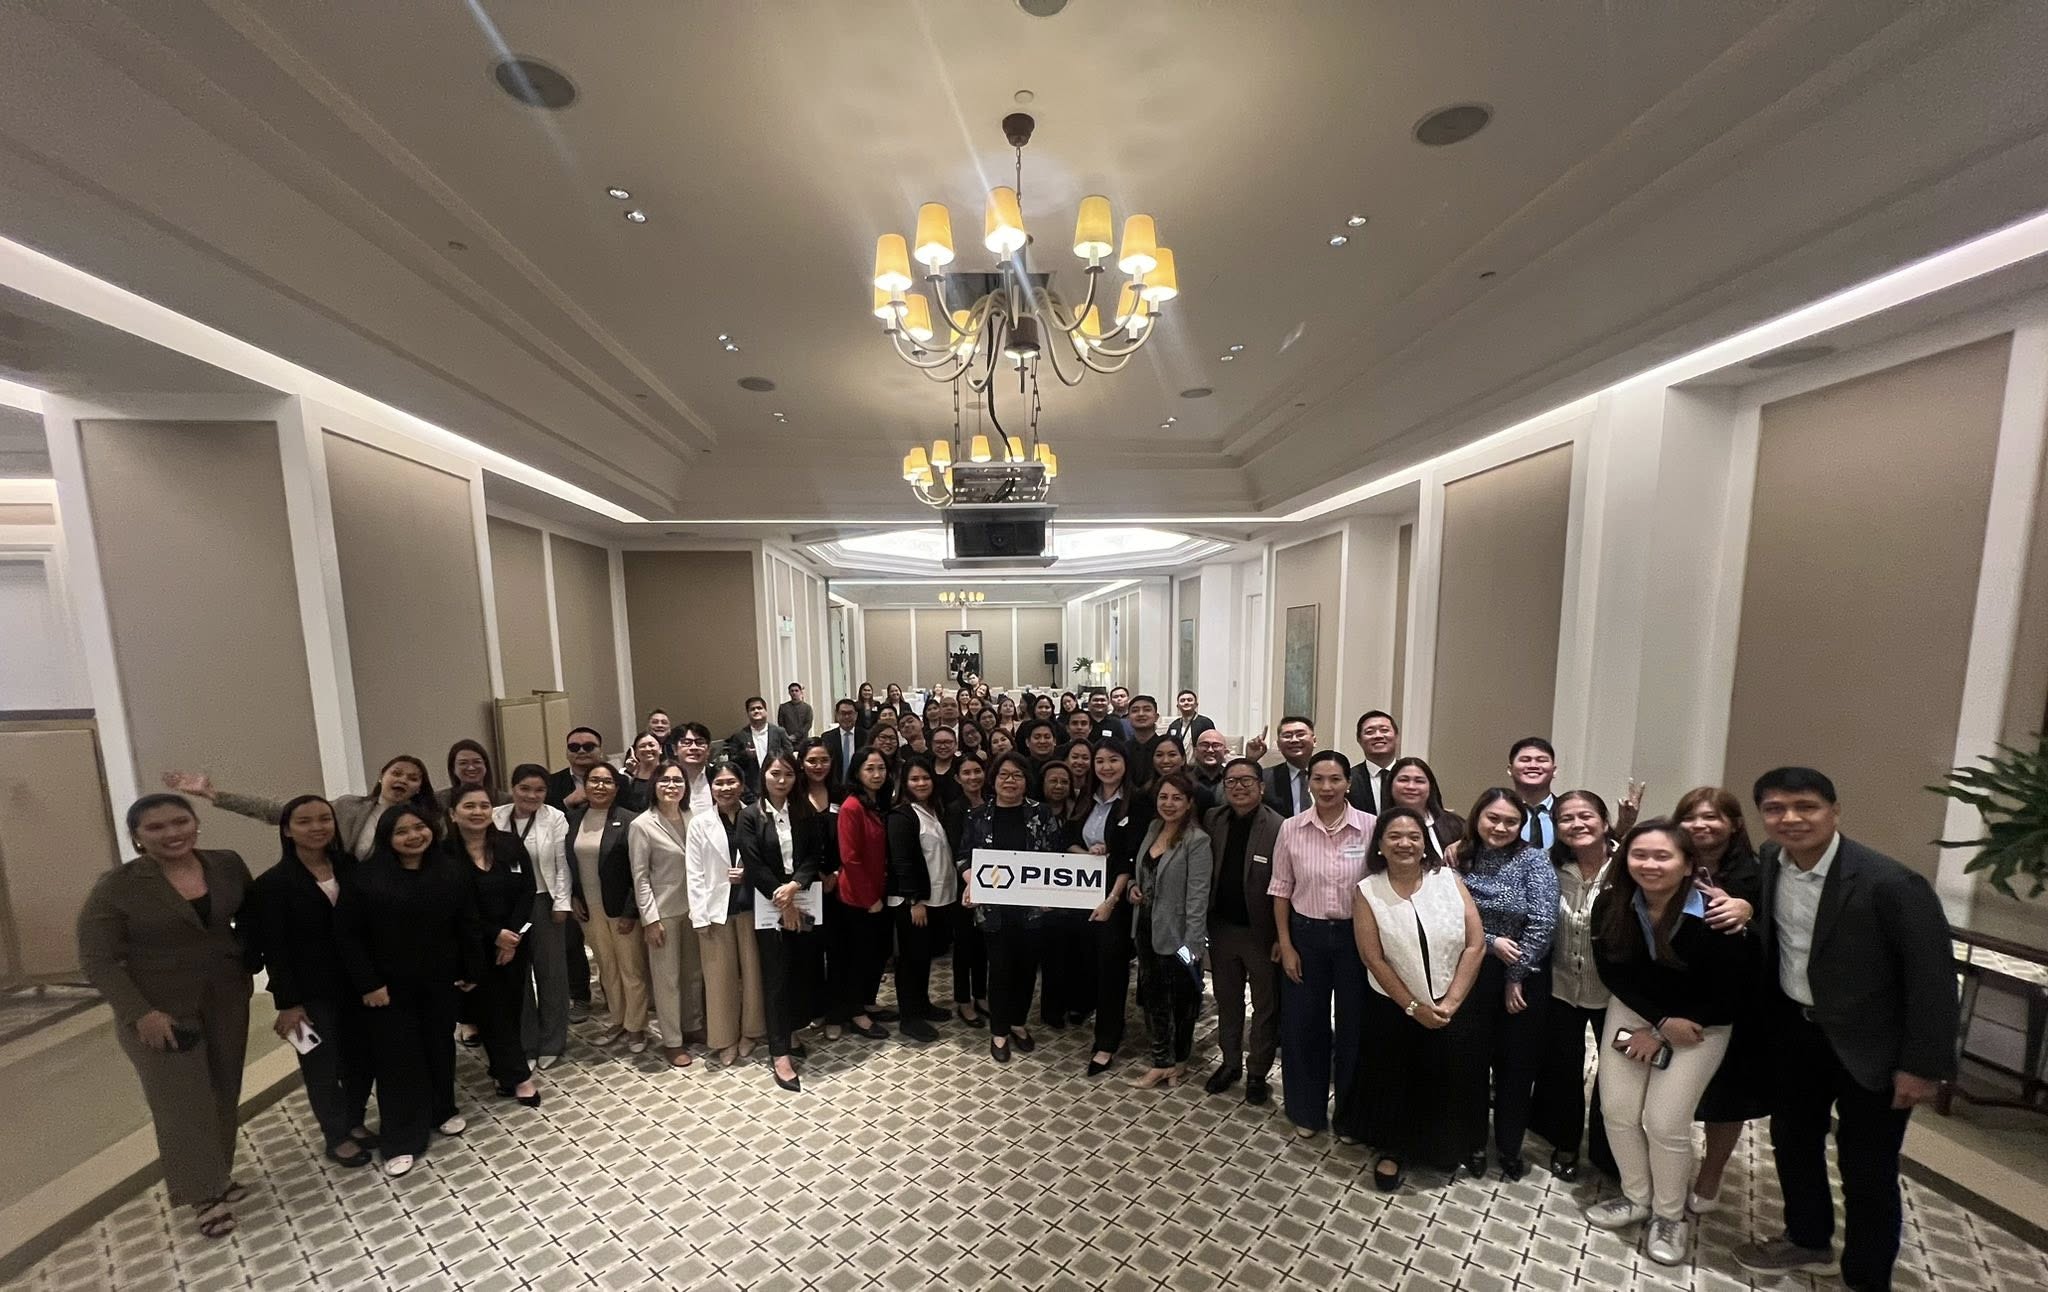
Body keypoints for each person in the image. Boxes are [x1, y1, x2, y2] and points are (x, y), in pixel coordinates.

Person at [1733, 769, 1957, 1292]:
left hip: (1872, 1046)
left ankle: (1865, 1276)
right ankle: (1809, 1240)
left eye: (1805, 806)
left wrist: (1921, 1066)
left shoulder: (1891, 883)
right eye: (1775, 808)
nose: (1790, 818)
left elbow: (1932, 980)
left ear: (1835, 811)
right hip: (1796, 1031)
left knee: (1868, 1165)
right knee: (1792, 1139)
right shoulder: (1770, 862)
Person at [78, 795, 257, 1235]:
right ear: (137, 837)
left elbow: (253, 916)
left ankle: (218, 1173)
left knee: (222, 1087)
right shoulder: (118, 886)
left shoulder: (226, 864)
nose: (172, 833)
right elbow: (97, 959)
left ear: (196, 824)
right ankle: (203, 1195)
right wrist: (139, 1013)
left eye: (180, 821)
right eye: (156, 828)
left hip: (225, 996)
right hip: (159, 1008)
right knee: (181, 1101)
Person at [1584, 819, 1748, 1267]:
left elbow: (1728, 992)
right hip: (1635, 1011)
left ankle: (1668, 1215)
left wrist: (1665, 1028)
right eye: (1639, 855)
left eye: (1663, 856)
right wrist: (1656, 1022)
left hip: (1702, 1024)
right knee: (1616, 1110)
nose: (1650, 865)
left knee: (1664, 1120)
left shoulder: (1716, 915)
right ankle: (1636, 1197)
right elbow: (1613, 970)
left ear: (1688, 864)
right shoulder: (1611, 904)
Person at [335, 805, 481, 1178]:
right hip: (387, 986)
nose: (414, 836)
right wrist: (368, 984)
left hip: (439, 980)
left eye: (420, 827)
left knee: (439, 1046)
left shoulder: (449, 870)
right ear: (387, 838)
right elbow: (349, 936)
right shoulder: (365, 878)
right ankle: (401, 1138)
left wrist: (470, 968)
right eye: (402, 831)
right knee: (397, 1060)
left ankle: (442, 1110)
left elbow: (466, 923)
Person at [1346, 807, 1487, 1190]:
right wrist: (1412, 1006)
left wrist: (1453, 1000)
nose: (1405, 843)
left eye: (1413, 836)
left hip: (1453, 999)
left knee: (1451, 1073)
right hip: (1393, 1007)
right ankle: (1393, 1149)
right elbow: (1372, 957)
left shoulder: (1447, 879)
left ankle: (1447, 1145)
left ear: (1425, 843)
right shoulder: (1367, 891)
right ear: (1380, 845)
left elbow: (1476, 943)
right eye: (1394, 836)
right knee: (1396, 1077)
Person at [246, 795, 375, 1169]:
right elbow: (275, 950)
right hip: (308, 994)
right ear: (287, 829)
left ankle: (354, 1120)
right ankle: (335, 1134)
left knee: (359, 1058)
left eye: (324, 819)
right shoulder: (271, 885)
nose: (317, 827)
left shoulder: (348, 866)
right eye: (305, 821)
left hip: (356, 983)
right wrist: (288, 1003)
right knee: (320, 1065)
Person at [1268, 749, 1375, 1137]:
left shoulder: (1370, 827)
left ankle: (1350, 1115)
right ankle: (1306, 1111)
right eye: (1319, 779)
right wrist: (1286, 943)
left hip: (1356, 939)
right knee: (1303, 1026)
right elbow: (1281, 889)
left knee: (1354, 1028)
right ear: (1309, 782)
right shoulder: (1291, 829)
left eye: (1335, 779)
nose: (1327, 787)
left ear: (1349, 783)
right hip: (1306, 936)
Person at [1454, 787, 1558, 1180]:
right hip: (1471, 969)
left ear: (1522, 825)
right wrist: (1492, 942)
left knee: (1516, 1066)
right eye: (1492, 818)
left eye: (1510, 821)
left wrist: (1514, 976)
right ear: (1477, 817)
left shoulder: (1534, 861)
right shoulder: (1461, 857)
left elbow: (1543, 922)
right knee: (1472, 1062)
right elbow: (1451, 914)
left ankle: (1510, 1146)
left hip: (1524, 976)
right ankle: (1474, 1142)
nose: (1500, 827)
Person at [1673, 785, 1768, 1213]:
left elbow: (1778, 937)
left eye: (1712, 817)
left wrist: (1746, 911)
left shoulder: (1759, 875)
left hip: (1736, 1002)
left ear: (1734, 824)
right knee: (1669, 1094)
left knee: (1725, 1098)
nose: (1701, 825)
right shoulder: (1669, 864)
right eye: (1691, 816)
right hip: (1674, 996)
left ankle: (1711, 1174)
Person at [1529, 790, 1619, 1182]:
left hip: (1615, 992)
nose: (1577, 824)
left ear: (1604, 820)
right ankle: (1566, 1141)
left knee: (1614, 1074)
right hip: (1561, 985)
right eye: (1566, 818)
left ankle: (1607, 1149)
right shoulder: (1550, 867)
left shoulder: (1626, 866)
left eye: (1586, 816)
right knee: (1563, 1070)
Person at [964, 751, 1066, 1063]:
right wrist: (970, 882)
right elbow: (964, 856)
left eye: (1018, 775)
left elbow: (1056, 856)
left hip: (1033, 909)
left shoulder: (1042, 813)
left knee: (1025, 969)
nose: (1010, 781)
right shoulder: (978, 816)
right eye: (1004, 775)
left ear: (1027, 781)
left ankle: (1019, 1023)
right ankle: (999, 1031)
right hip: (994, 910)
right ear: (993, 780)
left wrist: (1052, 895)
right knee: (1001, 969)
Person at [444, 788, 540, 1107]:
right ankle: (519, 1077)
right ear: (453, 814)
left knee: (510, 1007)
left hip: (513, 943)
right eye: (468, 806)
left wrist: (511, 935)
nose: (477, 812)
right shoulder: (443, 855)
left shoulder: (509, 845)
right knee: (492, 1009)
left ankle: (502, 1070)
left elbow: (527, 890)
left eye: (484, 806)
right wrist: (494, 934)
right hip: (471, 947)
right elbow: (453, 908)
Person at [739, 750, 825, 1092]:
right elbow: (754, 863)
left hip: (801, 896)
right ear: (764, 775)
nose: (781, 780)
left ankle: (790, 1032)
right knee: (774, 977)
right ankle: (779, 1053)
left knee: (801, 969)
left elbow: (812, 856)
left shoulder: (805, 810)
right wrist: (781, 896)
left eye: (788, 774)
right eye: (775, 774)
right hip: (767, 903)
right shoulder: (750, 815)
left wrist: (794, 887)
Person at [163, 755, 440, 861]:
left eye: (413, 778)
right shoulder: (347, 808)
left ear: (419, 787)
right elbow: (282, 811)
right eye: (397, 773)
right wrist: (216, 795)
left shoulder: (425, 824)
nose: (403, 780)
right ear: (382, 776)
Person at [1200, 758, 1282, 1105]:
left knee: (1264, 1007)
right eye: (1231, 780)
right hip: (1221, 929)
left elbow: (1286, 887)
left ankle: (1258, 1072)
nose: (1238, 786)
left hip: (1261, 933)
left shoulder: (1279, 827)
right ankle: (1230, 1062)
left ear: (1261, 787)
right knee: (1228, 1000)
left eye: (1247, 780)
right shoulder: (1213, 819)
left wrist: (1282, 936)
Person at [1127, 774, 1212, 1088]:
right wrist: (1133, 888)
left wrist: (1191, 948)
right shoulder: (1153, 829)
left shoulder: (1197, 840)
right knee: (1153, 997)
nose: (1169, 803)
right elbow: (1143, 875)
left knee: (1182, 1001)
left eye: (1177, 798)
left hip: (1179, 936)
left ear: (1189, 802)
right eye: (1164, 797)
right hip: (1147, 928)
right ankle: (1162, 1060)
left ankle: (1177, 1062)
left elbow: (1197, 898)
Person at [686, 762, 767, 1065]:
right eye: (719, 783)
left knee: (753, 974)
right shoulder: (700, 823)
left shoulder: (756, 816)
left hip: (751, 907)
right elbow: (693, 872)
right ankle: (725, 1038)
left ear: (742, 784)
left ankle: (751, 1031)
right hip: (715, 909)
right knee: (719, 979)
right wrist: (699, 916)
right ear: (710, 787)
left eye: (731, 782)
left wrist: (749, 873)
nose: (725, 788)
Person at [565, 764, 650, 1053]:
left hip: (621, 909)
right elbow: (570, 864)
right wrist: (573, 896)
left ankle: (636, 1027)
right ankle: (617, 1020)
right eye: (594, 781)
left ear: (617, 787)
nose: (600, 787)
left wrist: (630, 912)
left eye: (607, 782)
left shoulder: (630, 821)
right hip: (589, 909)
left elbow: (638, 873)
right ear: (584, 786)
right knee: (607, 967)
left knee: (631, 968)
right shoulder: (573, 819)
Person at [494, 765, 571, 1070]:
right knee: (516, 975)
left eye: (539, 790)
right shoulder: (495, 817)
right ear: (512, 788)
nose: (532, 795)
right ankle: (526, 1041)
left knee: (551, 973)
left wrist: (562, 902)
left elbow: (562, 863)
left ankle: (553, 1041)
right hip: (507, 906)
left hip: (543, 901)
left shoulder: (554, 817)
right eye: (525, 788)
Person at [628, 761, 703, 1069]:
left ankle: (693, 1024)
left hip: (694, 908)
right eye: (665, 780)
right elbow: (640, 877)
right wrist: (650, 919)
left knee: (693, 973)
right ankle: (672, 1041)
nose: (672, 785)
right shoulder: (642, 825)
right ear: (654, 786)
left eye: (677, 780)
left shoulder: (692, 816)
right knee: (666, 978)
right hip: (664, 912)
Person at [1084, 740, 1151, 1075]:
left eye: (1113, 760)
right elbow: (1069, 835)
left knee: (1113, 970)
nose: (1106, 766)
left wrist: (1111, 900)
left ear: (1125, 763)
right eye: (1100, 760)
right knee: (1090, 966)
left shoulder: (1137, 802)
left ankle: (1107, 1041)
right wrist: (1086, 854)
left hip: (1116, 899)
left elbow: (1130, 857)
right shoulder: (1087, 798)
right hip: (1080, 894)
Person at [886, 756, 963, 1043]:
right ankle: (910, 1018)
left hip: (937, 899)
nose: (921, 783)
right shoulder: (901, 815)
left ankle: (922, 1004)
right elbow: (902, 861)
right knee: (909, 960)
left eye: (925, 778)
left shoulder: (931, 811)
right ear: (904, 783)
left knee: (923, 958)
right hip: (913, 903)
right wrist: (914, 900)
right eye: (914, 779)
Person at [831, 748, 894, 1040]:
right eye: (870, 769)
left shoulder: (878, 802)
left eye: (881, 768)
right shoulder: (852, 806)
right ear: (857, 772)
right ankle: (856, 1012)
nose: (877, 774)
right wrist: (871, 899)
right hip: (858, 897)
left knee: (877, 953)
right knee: (858, 957)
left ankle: (868, 1002)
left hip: (878, 892)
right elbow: (850, 858)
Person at [949, 752, 991, 1023]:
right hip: (964, 885)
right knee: (964, 946)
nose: (973, 777)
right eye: (966, 773)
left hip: (992, 883)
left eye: (977, 771)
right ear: (957, 778)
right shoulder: (953, 809)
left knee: (983, 945)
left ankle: (981, 995)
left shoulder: (992, 803)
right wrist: (971, 882)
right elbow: (955, 850)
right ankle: (963, 1000)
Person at [1384, 756, 1465, 863]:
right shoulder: (1378, 826)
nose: (1411, 786)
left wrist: (1464, 844)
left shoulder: (1454, 825)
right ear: (1391, 785)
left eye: (1419, 781)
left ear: (1430, 787)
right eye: (1403, 780)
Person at [727, 697, 796, 799]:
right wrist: (746, 755)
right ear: (748, 713)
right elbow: (733, 762)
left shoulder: (779, 732)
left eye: (759, 708)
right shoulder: (739, 736)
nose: (756, 711)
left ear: (765, 711)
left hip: (779, 783)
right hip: (753, 789)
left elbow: (789, 754)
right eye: (752, 709)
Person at [1508, 737, 1560, 850]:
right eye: (1525, 760)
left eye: (1541, 760)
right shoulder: (1498, 814)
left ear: (1554, 770)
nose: (1533, 765)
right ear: (1510, 769)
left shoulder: (1568, 813)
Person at [1261, 716, 1319, 816]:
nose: (1294, 740)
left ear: (1314, 741)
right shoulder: (1266, 778)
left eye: (1300, 734)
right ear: (1278, 745)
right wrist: (1251, 759)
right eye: (1287, 736)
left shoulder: (1332, 776)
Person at [1347, 711, 1400, 815]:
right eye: (1370, 732)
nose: (1378, 736)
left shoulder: (1413, 776)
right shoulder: (1349, 779)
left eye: (1384, 730)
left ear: (1396, 736)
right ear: (1359, 739)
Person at [546, 727, 611, 811]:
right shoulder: (551, 782)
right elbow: (543, 818)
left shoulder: (619, 780)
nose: (581, 751)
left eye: (588, 746)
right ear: (567, 753)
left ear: (601, 752)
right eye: (574, 747)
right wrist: (567, 802)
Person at [441, 739, 502, 811]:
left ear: (485, 765)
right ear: (453, 768)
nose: (471, 768)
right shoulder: (440, 801)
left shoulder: (504, 800)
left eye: (477, 762)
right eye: (463, 763)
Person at [671, 723, 717, 813]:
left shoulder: (718, 776)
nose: (693, 747)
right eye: (686, 743)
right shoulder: (667, 780)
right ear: (674, 749)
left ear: (708, 750)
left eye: (700, 743)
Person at [824, 698, 866, 787]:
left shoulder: (866, 736)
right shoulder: (827, 738)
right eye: (843, 713)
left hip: (860, 786)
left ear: (856, 715)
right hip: (834, 787)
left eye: (850, 713)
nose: (846, 717)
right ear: (837, 715)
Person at [619, 732, 665, 811]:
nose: (647, 749)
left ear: (660, 749)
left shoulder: (669, 772)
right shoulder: (628, 776)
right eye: (642, 746)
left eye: (651, 745)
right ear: (635, 752)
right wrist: (628, 772)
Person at [1124, 694, 1163, 776]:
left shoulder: (1164, 747)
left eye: (1147, 710)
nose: (1141, 714)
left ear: (1156, 717)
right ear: (1128, 718)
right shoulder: (1123, 749)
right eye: (1135, 711)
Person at [1190, 728, 1232, 800]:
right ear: (1195, 751)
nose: (1210, 750)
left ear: (1225, 752)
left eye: (1216, 745)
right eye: (1204, 745)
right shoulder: (1185, 780)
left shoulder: (1232, 779)